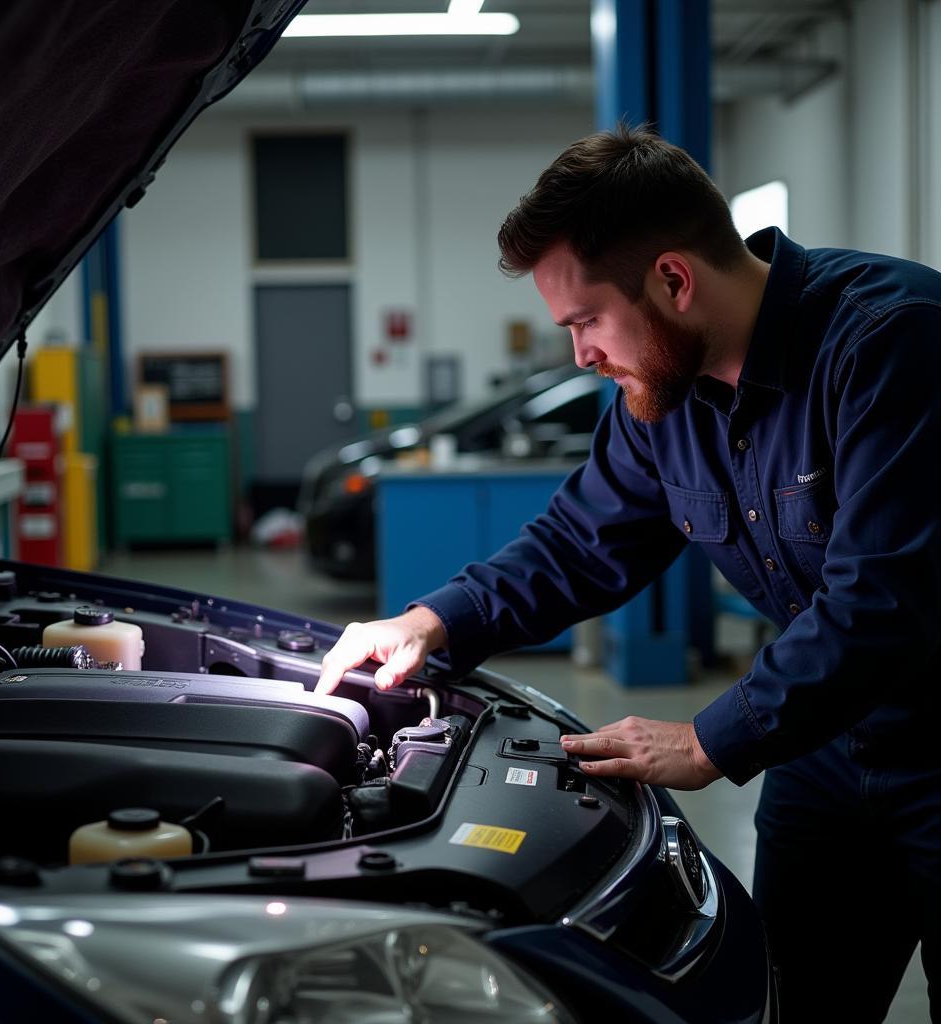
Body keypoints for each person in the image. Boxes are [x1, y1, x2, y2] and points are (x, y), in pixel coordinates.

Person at [315, 124, 941, 1023]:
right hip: (826, 747)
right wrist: (430, 623)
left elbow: (880, 604)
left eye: (585, 322)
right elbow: (578, 542)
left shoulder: (892, 341)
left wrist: (705, 741)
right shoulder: (663, 400)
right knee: (795, 1002)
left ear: (674, 280)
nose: (580, 356)